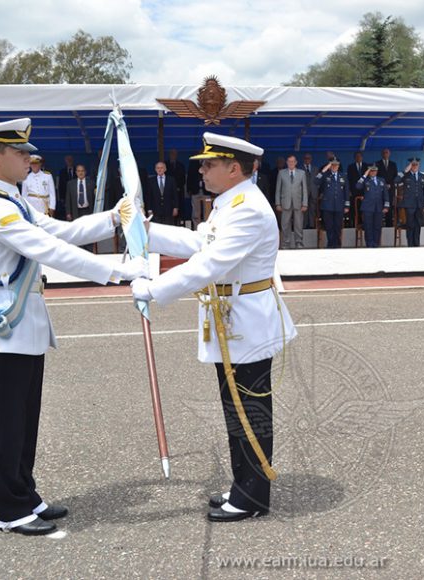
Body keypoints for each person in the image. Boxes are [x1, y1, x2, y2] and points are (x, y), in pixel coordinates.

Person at [0, 118, 148, 535]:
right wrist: (119, 271)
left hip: (24, 330)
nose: (29, 158)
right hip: (6, 332)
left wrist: (113, 218)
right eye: (19, 153)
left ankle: (25, 495)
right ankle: (9, 511)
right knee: (8, 424)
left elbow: (63, 231)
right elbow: (50, 250)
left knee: (26, 421)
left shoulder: (14, 201)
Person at [130, 132, 297, 522]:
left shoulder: (248, 208)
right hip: (235, 320)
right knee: (234, 407)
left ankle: (253, 497)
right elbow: (198, 241)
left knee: (248, 409)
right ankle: (244, 485)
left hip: (248, 324)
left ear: (234, 168)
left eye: (209, 164)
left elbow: (209, 264)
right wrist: (145, 231)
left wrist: (154, 289)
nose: (202, 170)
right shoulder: (232, 203)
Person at [316, 157, 350, 248]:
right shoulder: (325, 175)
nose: (334, 167)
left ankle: (337, 244)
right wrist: (324, 170)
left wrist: (347, 205)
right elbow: (316, 181)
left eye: (336, 165)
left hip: (339, 205)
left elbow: (346, 191)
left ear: (338, 166)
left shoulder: (343, 176)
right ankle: (331, 244)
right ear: (330, 166)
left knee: (338, 226)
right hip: (327, 205)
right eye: (333, 165)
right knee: (329, 226)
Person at [275, 154, 308, 249]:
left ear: (296, 162)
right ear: (287, 162)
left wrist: (305, 203)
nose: (291, 163)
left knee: (298, 224)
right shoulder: (281, 173)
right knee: (285, 224)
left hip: (298, 203)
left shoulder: (302, 173)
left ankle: (299, 243)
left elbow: (305, 189)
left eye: (293, 161)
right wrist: (278, 203)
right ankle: (286, 243)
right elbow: (278, 189)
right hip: (285, 203)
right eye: (289, 161)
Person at [355, 165, 389, 248]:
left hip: (379, 207)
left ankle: (376, 244)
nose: (373, 172)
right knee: (368, 226)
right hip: (368, 207)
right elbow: (357, 186)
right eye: (371, 171)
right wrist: (364, 175)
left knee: (377, 226)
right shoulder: (365, 180)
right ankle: (369, 244)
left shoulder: (381, 180)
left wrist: (386, 206)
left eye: (374, 171)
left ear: (377, 171)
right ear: (369, 172)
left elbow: (385, 194)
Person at [399, 158, 424, 247]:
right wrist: (405, 171)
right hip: (409, 204)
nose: (415, 166)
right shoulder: (406, 176)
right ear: (410, 166)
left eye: (416, 165)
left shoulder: (422, 176)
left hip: (419, 204)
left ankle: (417, 244)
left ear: (419, 165)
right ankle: (410, 244)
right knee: (410, 224)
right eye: (413, 165)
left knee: (418, 224)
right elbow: (396, 181)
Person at [146, 161, 179, 225]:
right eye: (158, 168)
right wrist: (149, 209)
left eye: (161, 168)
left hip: (168, 210)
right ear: (155, 169)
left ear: (165, 169)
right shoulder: (151, 181)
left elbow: (175, 195)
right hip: (155, 211)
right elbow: (149, 196)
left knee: (168, 229)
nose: (159, 169)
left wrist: (176, 207)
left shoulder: (171, 180)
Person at [301, 153, 319, 229]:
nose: (307, 160)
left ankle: (311, 225)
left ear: (311, 159)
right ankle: (304, 225)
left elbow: (318, 181)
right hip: (303, 192)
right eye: (306, 158)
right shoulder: (300, 169)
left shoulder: (315, 169)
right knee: (304, 209)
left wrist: (318, 190)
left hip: (313, 192)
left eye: (309, 158)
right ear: (303, 159)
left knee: (312, 208)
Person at [56, 155, 77, 220]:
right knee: (67, 212)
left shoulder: (77, 170)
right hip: (65, 196)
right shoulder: (62, 171)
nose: (69, 161)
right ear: (65, 161)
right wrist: (61, 198)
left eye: (70, 159)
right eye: (67, 160)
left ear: (73, 160)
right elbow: (60, 185)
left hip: (76, 195)